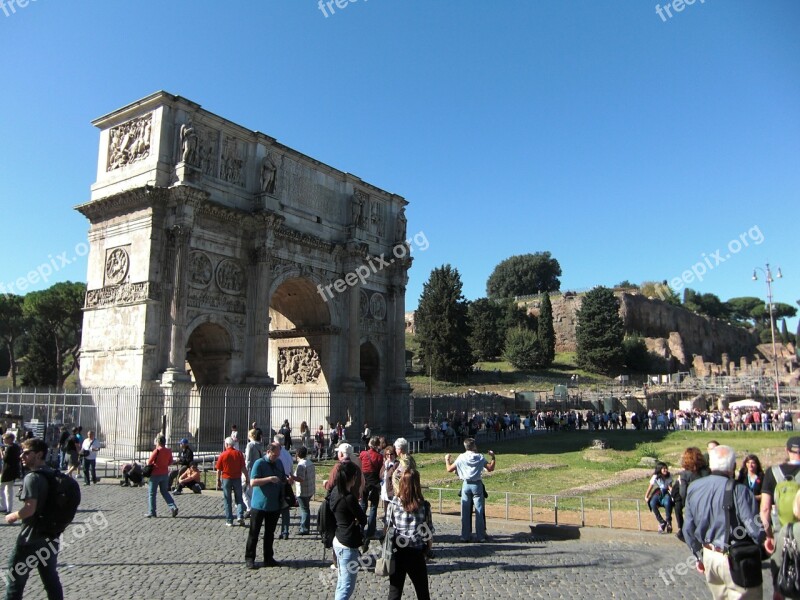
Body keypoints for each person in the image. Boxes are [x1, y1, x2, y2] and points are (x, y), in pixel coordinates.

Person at [683, 445, 766, 599]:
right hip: (736, 557)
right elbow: (755, 529)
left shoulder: (693, 488)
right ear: (733, 466)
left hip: (709, 555)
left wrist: (698, 556)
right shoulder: (740, 490)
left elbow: (687, 529)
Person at [4, 438, 64, 599]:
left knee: (15, 580)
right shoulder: (52, 473)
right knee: (51, 580)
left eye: (26, 453)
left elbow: (29, 508)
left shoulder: (32, 478)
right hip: (51, 535)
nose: (21, 456)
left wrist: (13, 516)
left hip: (31, 537)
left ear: (39, 454)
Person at [386, 469, 433, 600]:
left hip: (397, 551)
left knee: (394, 592)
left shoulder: (394, 504)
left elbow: (388, 528)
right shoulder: (424, 506)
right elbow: (428, 533)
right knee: (422, 592)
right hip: (416, 552)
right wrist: (427, 549)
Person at [444, 438, 495, 543]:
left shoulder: (461, 457)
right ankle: (481, 536)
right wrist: (493, 457)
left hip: (466, 485)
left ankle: (465, 536)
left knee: (465, 512)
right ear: (474, 446)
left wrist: (447, 460)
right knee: (479, 511)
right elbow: (490, 468)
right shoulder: (480, 457)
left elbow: (449, 469)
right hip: (477, 485)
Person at [246, 442, 286, 569]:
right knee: (254, 533)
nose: (276, 458)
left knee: (270, 533)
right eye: (274, 456)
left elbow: (283, 477)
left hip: (274, 505)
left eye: (278, 455)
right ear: (268, 452)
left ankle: (268, 557)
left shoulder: (278, 463)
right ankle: (250, 558)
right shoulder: (259, 463)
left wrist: (287, 480)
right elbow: (252, 482)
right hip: (259, 505)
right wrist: (269, 479)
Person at [330, 461, 367, 600]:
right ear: (352, 478)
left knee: (341, 582)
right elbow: (363, 519)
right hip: (347, 544)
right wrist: (356, 520)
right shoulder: (349, 498)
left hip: (338, 538)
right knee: (346, 586)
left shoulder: (335, 492)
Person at [760, 437, 800, 567]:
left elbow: (765, 509)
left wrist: (769, 535)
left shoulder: (772, 472)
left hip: (780, 532)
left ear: (786, 450)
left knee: (780, 576)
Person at [673, 447, 709, 542]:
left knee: (690, 532)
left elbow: (683, 492)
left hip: (693, 506)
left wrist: (685, 504)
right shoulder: (707, 472)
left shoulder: (684, 474)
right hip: (707, 504)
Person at [215, 436, 249, 527]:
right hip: (237, 478)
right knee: (239, 498)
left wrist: (218, 480)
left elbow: (218, 469)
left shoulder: (223, 454)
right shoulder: (239, 454)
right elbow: (243, 468)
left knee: (227, 499)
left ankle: (229, 520)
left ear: (226, 444)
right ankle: (240, 516)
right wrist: (247, 478)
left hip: (226, 479)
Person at [359, 435, 384, 552]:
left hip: (365, 483)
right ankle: (371, 531)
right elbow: (379, 469)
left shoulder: (363, 454)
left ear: (369, 444)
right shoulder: (379, 457)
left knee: (363, 506)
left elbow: (361, 464)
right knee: (373, 508)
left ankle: (360, 527)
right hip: (374, 484)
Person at [146, 436, 178, 518]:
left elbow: (149, 462)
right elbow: (171, 461)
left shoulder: (157, 451)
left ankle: (152, 512)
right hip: (164, 474)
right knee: (164, 492)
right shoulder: (169, 451)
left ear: (158, 442)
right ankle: (173, 507)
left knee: (152, 493)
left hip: (155, 474)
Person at [273, 433, 294, 539]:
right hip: (286, 482)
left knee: (275, 508)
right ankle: (285, 531)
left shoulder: (275, 453)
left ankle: (272, 530)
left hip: (277, 483)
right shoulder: (287, 454)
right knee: (285, 509)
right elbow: (291, 468)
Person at [645, 462, 674, 534]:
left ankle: (668, 522)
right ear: (659, 469)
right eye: (663, 469)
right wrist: (646, 496)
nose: (665, 470)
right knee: (652, 502)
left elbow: (670, 487)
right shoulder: (655, 476)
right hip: (659, 492)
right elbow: (650, 486)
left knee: (667, 503)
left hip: (666, 492)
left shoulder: (669, 475)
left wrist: (673, 496)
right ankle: (661, 522)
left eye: (666, 468)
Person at [294, 446, 315, 535]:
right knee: (306, 508)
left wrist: (292, 477)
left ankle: (304, 528)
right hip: (310, 489)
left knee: (305, 509)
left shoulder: (301, 465)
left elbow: (301, 479)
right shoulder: (309, 462)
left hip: (303, 491)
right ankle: (304, 526)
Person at [243, 429, 263, 515]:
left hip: (250, 470)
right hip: (258, 470)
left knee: (244, 490)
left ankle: (250, 508)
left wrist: (245, 474)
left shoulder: (250, 445)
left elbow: (248, 460)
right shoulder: (260, 445)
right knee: (253, 491)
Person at [1, 432, 21, 514]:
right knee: (8, 489)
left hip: (7, 470)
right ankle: (8, 508)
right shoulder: (16, 446)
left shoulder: (9, 447)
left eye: (4, 439)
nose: (3, 440)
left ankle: (4, 507)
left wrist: (1, 452)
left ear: (9, 439)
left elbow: (4, 459)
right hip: (13, 470)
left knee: (4, 489)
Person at [380, 445, 398, 528]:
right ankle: (386, 533)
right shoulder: (385, 464)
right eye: (387, 455)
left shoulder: (396, 464)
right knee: (386, 514)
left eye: (391, 454)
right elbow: (380, 475)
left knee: (393, 514)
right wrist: (385, 467)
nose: (389, 456)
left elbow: (390, 477)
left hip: (392, 492)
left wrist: (388, 468)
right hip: (385, 492)